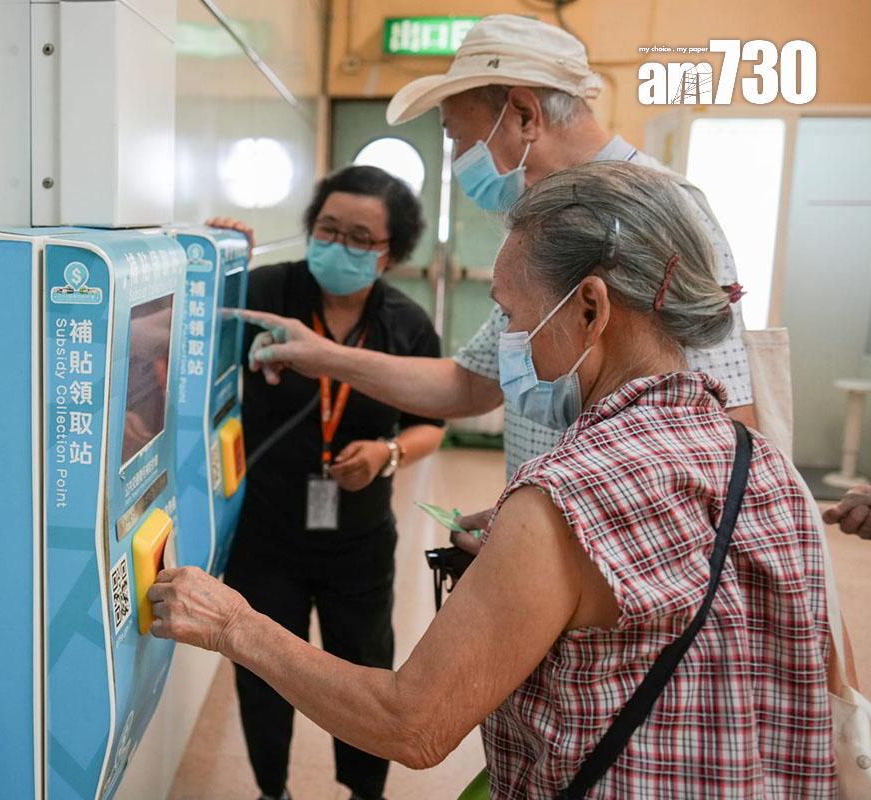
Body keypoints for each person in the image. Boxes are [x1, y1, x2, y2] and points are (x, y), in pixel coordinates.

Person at [150, 161, 838, 797]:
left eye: (512, 315)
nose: (511, 343)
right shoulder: (763, 464)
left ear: (591, 308)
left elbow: (412, 724)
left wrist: (235, 625)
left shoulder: (567, 496)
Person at [238, 15, 757, 535]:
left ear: (524, 113)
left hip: (631, 558)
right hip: (548, 531)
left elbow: (730, 427)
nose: (460, 160)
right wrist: (324, 355)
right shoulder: (543, 223)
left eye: (460, 139)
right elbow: (473, 384)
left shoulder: (664, 214)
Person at [208, 165, 446, 800]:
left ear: (391, 253)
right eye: (327, 229)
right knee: (261, 668)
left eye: (360, 238)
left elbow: (432, 424)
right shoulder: (267, 292)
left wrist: (387, 452)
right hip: (265, 532)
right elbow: (187, 334)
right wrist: (215, 260)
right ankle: (272, 791)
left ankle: (364, 792)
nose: (338, 246)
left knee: (365, 670)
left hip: (359, 538)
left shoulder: (407, 324)